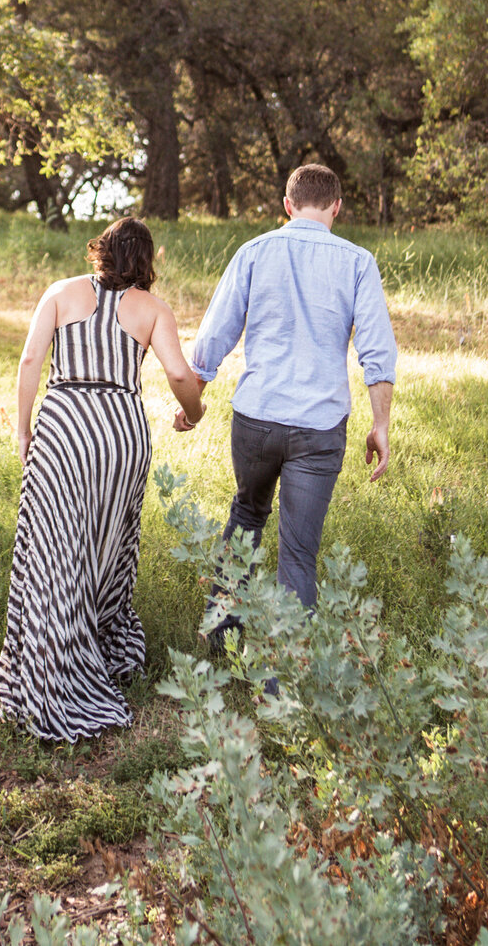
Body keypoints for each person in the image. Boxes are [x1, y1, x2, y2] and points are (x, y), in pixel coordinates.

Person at [0, 217, 206, 741]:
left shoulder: (60, 293)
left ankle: (53, 658)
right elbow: (180, 375)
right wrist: (195, 412)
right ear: (146, 259)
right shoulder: (152, 309)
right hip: (120, 434)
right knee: (106, 546)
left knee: (54, 547)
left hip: (64, 426)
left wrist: (23, 430)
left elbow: (29, 360)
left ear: (103, 251)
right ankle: (94, 639)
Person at [189, 163, 397, 641]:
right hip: (319, 427)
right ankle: (288, 677)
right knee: (299, 551)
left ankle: (222, 638)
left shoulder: (255, 251)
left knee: (246, 514)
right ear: (336, 207)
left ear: (288, 205)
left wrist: (193, 399)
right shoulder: (358, 262)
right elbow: (377, 352)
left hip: (257, 418)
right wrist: (380, 423)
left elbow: (215, 334)